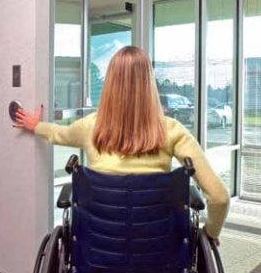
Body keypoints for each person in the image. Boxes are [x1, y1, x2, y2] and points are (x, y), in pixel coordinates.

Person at [14, 45, 229, 244]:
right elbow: (219, 197)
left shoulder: (91, 126)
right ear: (149, 84)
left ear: (109, 84)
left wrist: (36, 125)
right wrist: (211, 233)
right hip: (158, 245)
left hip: (99, 241)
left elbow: (58, 134)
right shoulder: (172, 130)